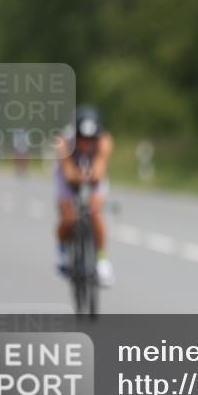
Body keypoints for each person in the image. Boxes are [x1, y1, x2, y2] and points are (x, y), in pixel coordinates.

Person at [54, 105, 115, 286]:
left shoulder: (105, 141)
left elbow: (100, 167)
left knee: (95, 211)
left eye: (91, 139)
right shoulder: (64, 141)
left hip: (92, 176)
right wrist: (75, 176)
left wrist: (93, 173)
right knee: (68, 217)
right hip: (67, 179)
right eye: (82, 139)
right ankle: (63, 251)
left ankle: (102, 260)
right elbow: (67, 171)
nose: (87, 143)